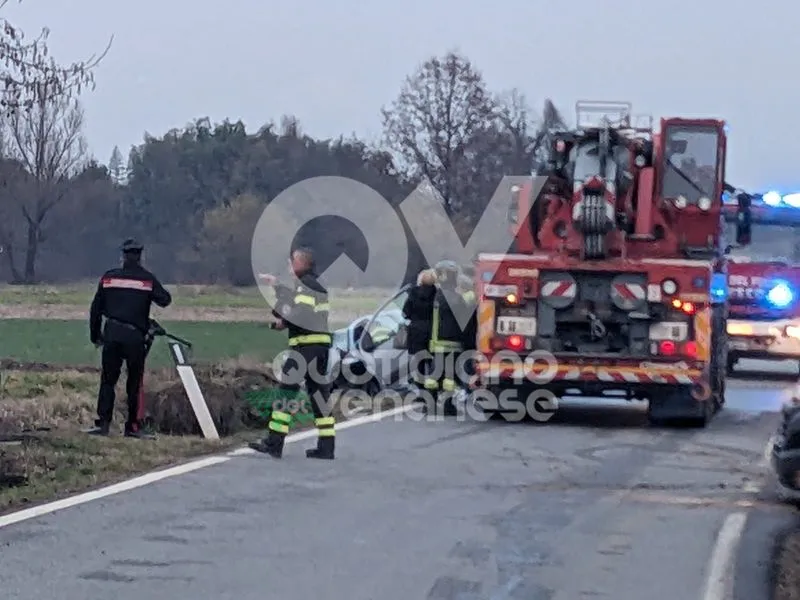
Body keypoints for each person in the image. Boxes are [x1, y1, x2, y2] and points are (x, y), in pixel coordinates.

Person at [252, 247, 334, 459]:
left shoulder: (304, 285)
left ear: (302, 263)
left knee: (286, 393)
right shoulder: (314, 285)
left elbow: (301, 312)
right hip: (320, 347)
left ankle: (274, 442)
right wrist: (277, 286)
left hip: (304, 348)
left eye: (292, 261)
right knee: (318, 395)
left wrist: (283, 321)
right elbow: (297, 304)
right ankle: (327, 446)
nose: (290, 265)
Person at [85, 239, 172, 437]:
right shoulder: (147, 279)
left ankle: (103, 424)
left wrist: (95, 335)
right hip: (135, 337)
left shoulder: (109, 278)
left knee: (108, 381)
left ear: (123, 256)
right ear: (140, 256)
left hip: (112, 334)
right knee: (134, 383)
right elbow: (165, 300)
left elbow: (95, 309)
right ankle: (133, 427)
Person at [426, 260, 469, 415]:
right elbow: (465, 320)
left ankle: (429, 405)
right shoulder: (457, 298)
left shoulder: (436, 295)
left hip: (436, 342)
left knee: (433, 376)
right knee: (450, 378)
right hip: (452, 342)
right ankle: (447, 406)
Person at [402, 269, 436, 395]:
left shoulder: (413, 293)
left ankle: (421, 390)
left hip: (416, 332)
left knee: (418, 363)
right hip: (432, 331)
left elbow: (405, 313)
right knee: (433, 361)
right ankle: (433, 388)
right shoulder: (436, 294)